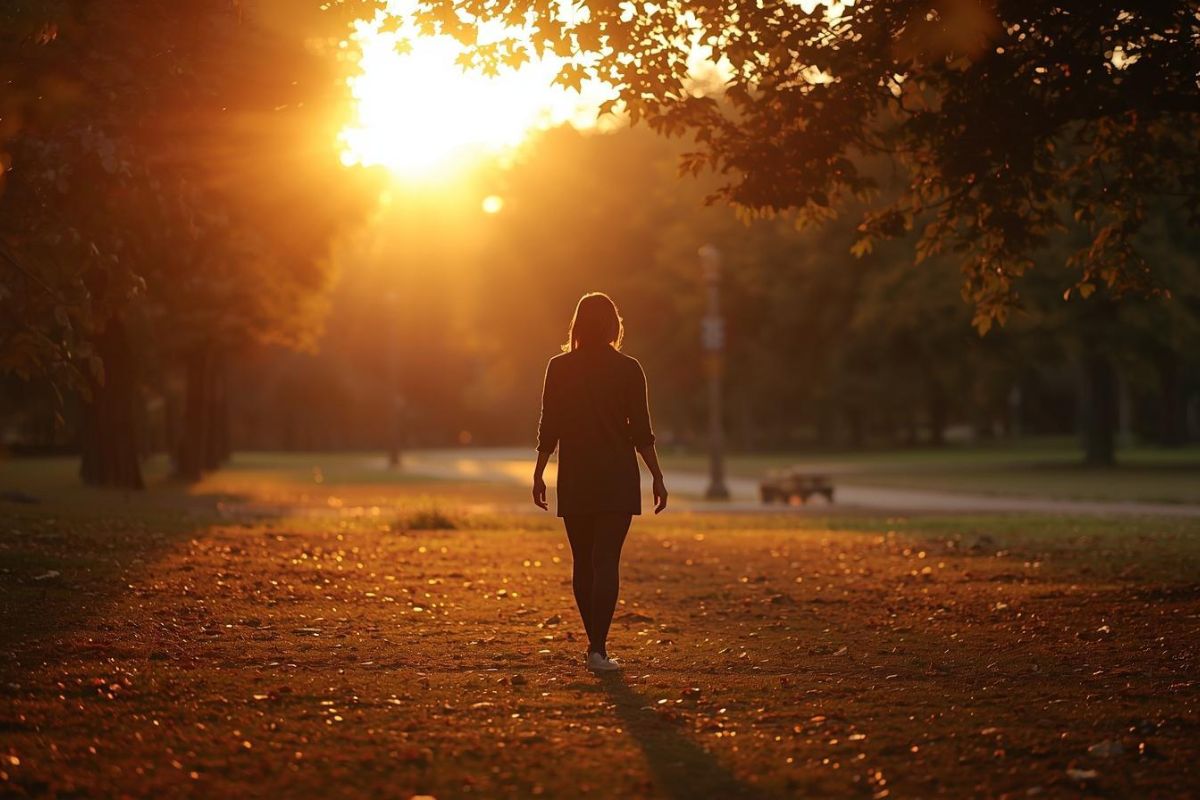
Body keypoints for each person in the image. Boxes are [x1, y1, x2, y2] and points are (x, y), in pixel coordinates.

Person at [532, 292, 668, 672]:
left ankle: (594, 646)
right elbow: (642, 432)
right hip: (616, 476)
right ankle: (598, 648)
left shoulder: (559, 367)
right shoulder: (629, 369)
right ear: (613, 325)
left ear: (577, 324)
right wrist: (657, 477)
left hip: (576, 475)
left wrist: (539, 472)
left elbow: (549, 425)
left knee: (583, 562)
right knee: (606, 561)